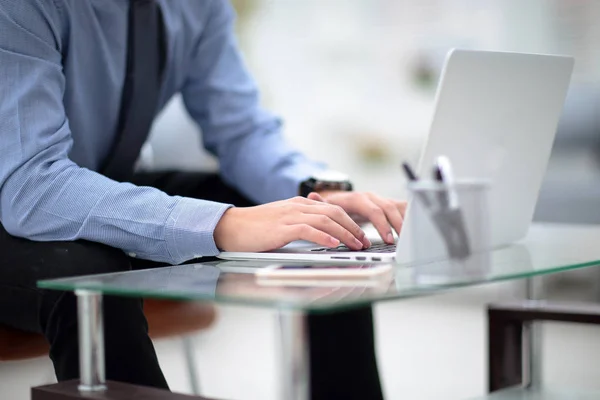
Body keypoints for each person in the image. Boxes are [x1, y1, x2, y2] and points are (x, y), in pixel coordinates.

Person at [0, 1, 404, 398]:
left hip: (95, 178)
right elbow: (31, 185)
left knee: (320, 222)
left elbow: (240, 131)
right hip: (20, 195)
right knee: (88, 271)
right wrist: (220, 224)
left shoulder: (198, 6)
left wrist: (317, 189)